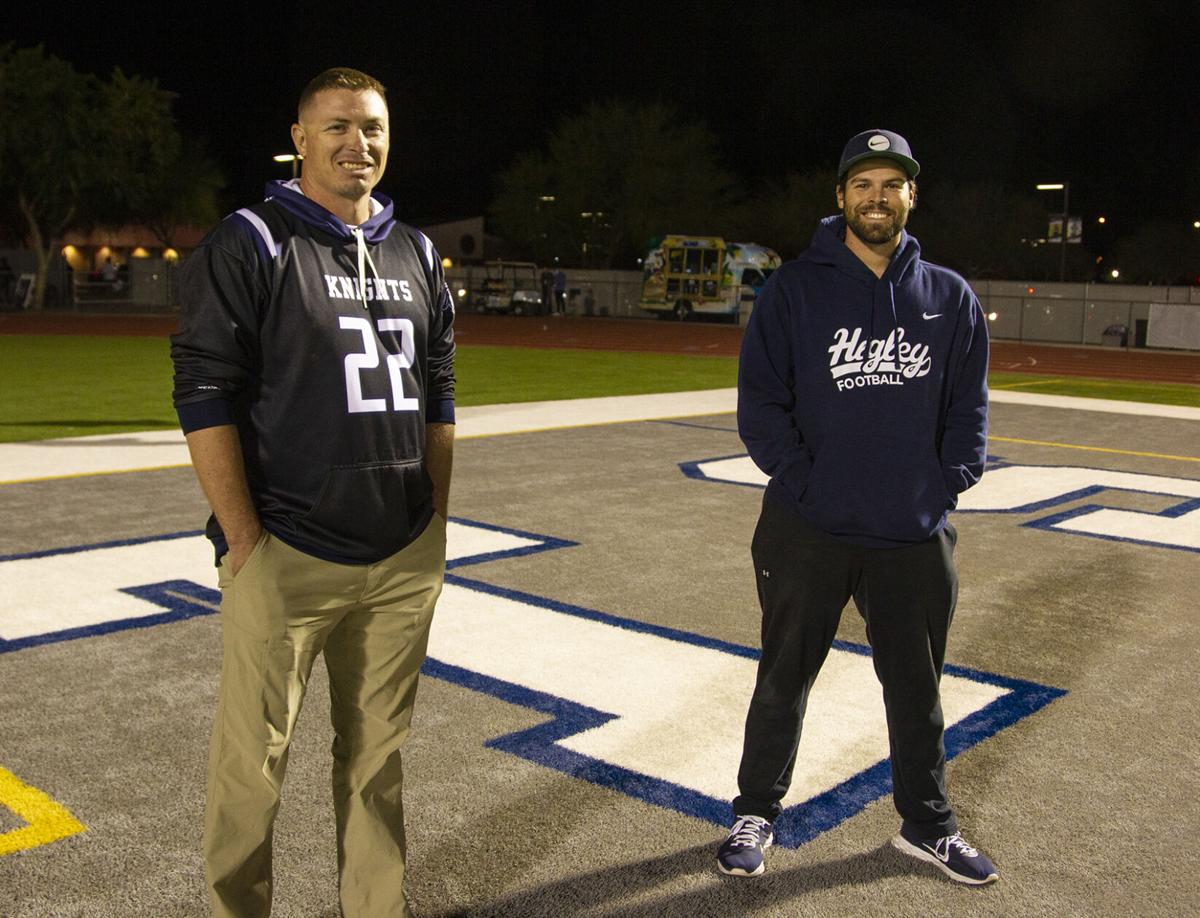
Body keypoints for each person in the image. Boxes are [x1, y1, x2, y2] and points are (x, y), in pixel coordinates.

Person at [171, 67, 456, 917]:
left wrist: (433, 522)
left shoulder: (418, 249)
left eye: (370, 126)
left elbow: (438, 390)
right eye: (335, 127)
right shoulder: (255, 239)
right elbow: (203, 394)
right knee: (251, 770)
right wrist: (245, 538)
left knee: (378, 763)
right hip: (287, 550)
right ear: (300, 137)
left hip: (400, 552)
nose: (354, 143)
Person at [717, 130, 996, 885]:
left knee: (918, 688)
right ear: (841, 197)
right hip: (808, 526)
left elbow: (968, 410)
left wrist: (944, 484)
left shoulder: (949, 295)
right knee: (783, 677)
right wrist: (806, 482)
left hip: (911, 531)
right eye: (863, 184)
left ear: (912, 196)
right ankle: (756, 812)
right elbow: (762, 407)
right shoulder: (795, 290)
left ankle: (927, 825)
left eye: (892, 184)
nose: (878, 198)